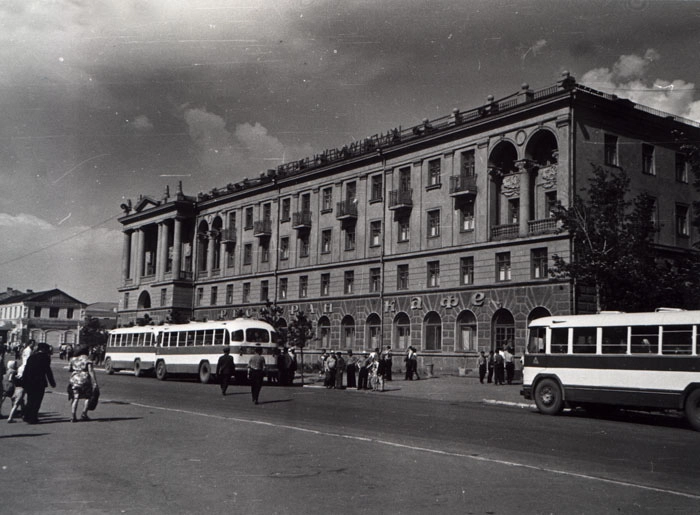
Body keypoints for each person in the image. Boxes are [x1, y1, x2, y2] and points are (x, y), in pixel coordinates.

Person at [21, 342, 56, 424]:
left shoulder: (31, 357)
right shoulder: (46, 358)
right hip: (39, 381)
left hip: (29, 381)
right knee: (37, 400)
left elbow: (26, 370)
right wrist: (52, 382)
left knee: (30, 399)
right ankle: (33, 417)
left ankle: (26, 415)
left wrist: (24, 381)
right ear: (44, 349)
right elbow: (48, 371)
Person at [68, 345, 98, 422]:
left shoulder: (72, 359)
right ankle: (84, 414)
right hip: (84, 379)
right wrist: (94, 382)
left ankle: (73, 416)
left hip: (74, 379)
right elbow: (91, 371)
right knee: (88, 397)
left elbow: (69, 369)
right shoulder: (87, 359)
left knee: (75, 398)